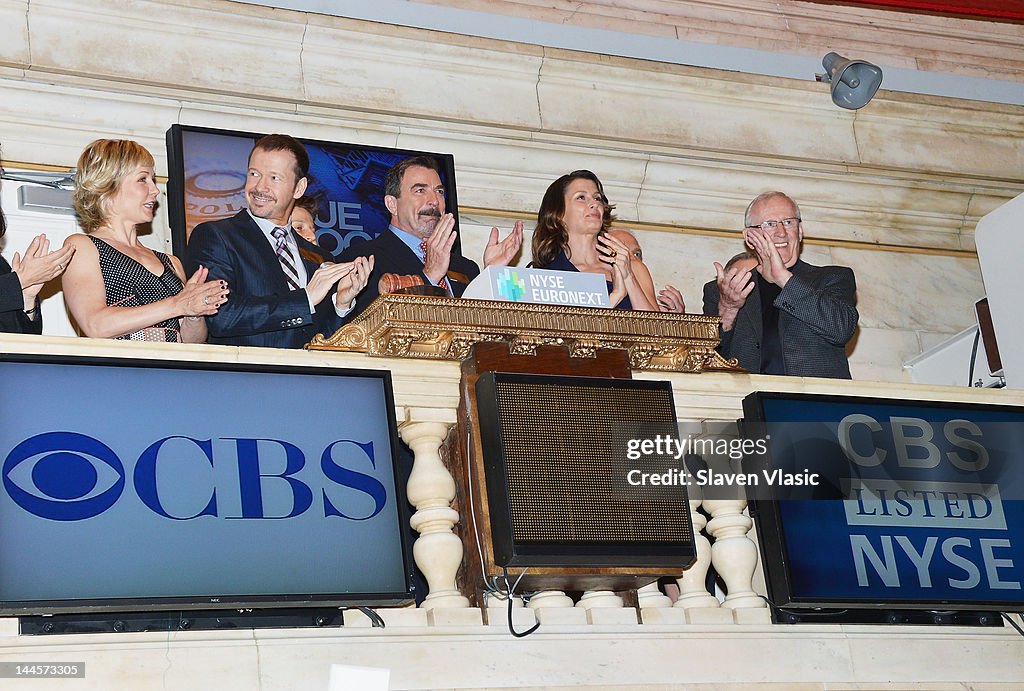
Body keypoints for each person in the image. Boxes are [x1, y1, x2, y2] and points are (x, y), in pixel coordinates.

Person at [186, 134, 372, 348]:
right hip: (250, 378)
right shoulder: (216, 236)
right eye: (254, 174)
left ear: (299, 188)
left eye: (274, 178)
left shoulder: (321, 257)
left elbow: (324, 343)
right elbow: (220, 316)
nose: (259, 187)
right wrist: (306, 299)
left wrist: (342, 304)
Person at [62, 139, 227, 342]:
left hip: (172, 372)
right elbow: (96, 325)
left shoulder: (171, 262)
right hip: (121, 371)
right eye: (143, 179)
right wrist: (178, 304)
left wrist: (193, 313)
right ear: (107, 187)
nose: (155, 190)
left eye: (153, 179)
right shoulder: (83, 247)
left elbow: (192, 343)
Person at [338, 156, 522, 321]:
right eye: (420, 191)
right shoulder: (361, 260)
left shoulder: (466, 268)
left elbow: (483, 326)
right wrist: (430, 277)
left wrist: (492, 277)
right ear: (392, 204)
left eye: (439, 192)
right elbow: (362, 328)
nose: (434, 200)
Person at [703, 191, 858, 378]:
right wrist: (728, 309)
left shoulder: (832, 277)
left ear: (800, 232)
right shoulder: (724, 291)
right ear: (750, 236)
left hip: (817, 401)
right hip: (750, 401)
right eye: (770, 224)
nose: (781, 232)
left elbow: (841, 330)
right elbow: (710, 357)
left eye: (788, 222)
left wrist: (783, 278)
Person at [531, 170, 657, 310]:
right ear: (558, 213)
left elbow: (658, 330)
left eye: (597, 198)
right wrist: (616, 296)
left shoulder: (631, 266)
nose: (594, 204)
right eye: (581, 198)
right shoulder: (547, 277)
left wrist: (628, 278)